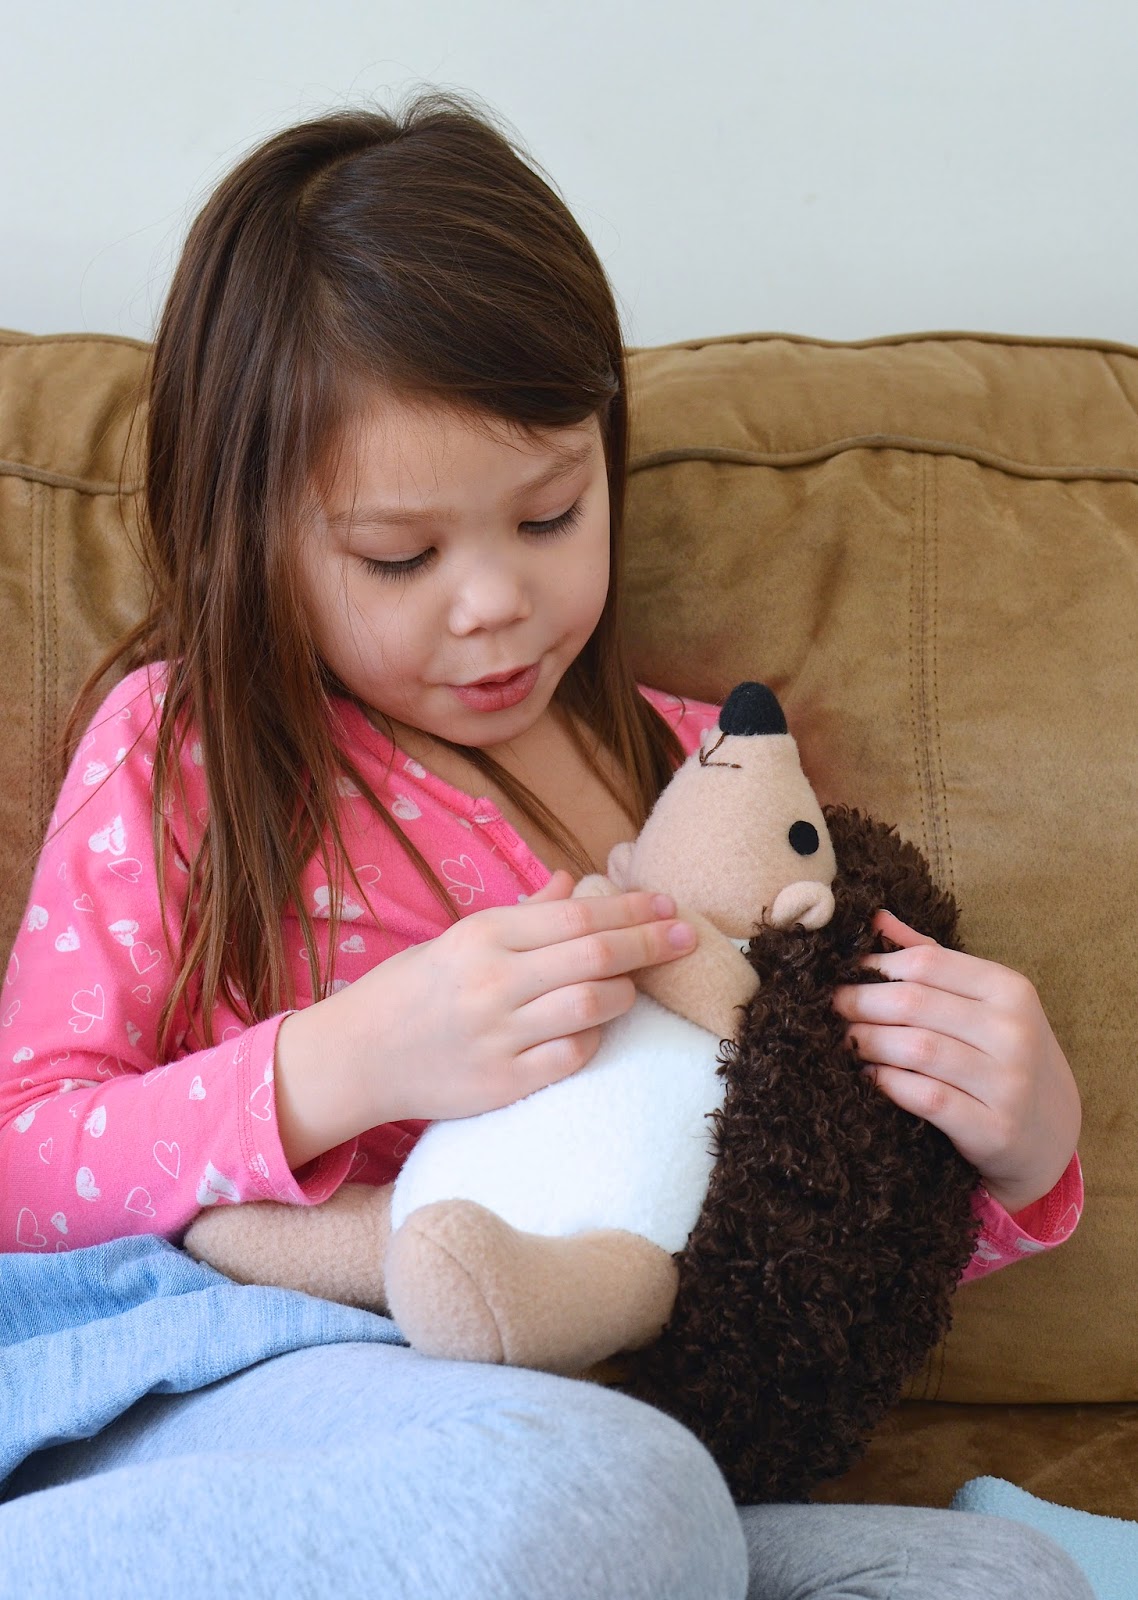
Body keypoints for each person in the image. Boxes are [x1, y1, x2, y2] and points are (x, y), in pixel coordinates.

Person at [0, 96, 1090, 1600]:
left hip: (609, 1423)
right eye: (399, 556)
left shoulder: (715, 782)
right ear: (248, 534)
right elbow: (24, 1168)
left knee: (998, 1578)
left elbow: (790, 1225)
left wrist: (1013, 1147)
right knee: (619, 1496)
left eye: (551, 514)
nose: (495, 603)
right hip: (261, 1377)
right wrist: (345, 1061)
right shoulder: (187, 747)